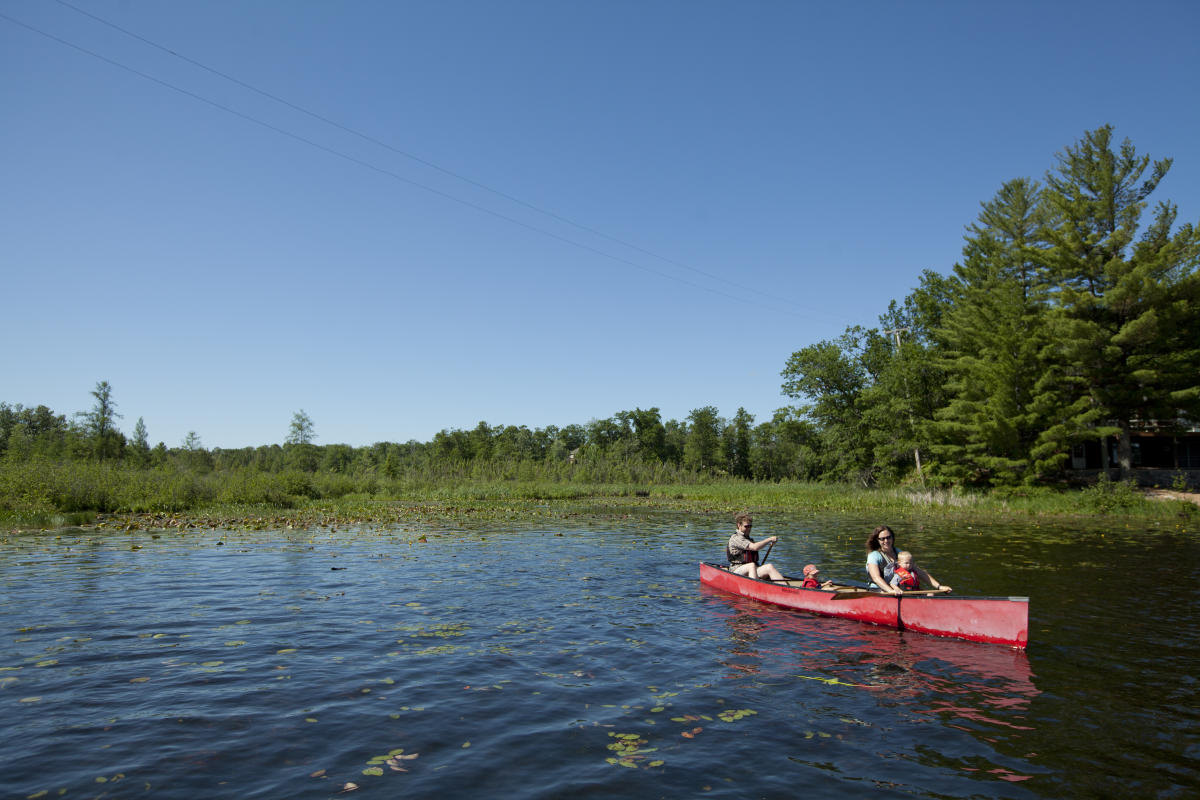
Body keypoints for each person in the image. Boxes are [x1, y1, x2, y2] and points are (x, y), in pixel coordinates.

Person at [866, 526, 951, 595]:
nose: (886, 541)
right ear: (877, 540)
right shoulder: (874, 556)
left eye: (888, 537)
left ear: (892, 538)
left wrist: (939, 586)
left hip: (899, 590)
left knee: (930, 594)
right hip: (880, 590)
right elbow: (876, 578)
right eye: (882, 539)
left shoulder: (899, 553)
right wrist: (890, 591)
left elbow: (919, 571)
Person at [726, 512, 785, 581]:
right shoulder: (736, 538)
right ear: (739, 525)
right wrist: (769, 539)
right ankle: (755, 589)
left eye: (750, 526)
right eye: (746, 526)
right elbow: (754, 547)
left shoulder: (749, 539)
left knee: (769, 567)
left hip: (752, 569)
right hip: (736, 570)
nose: (749, 529)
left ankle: (787, 589)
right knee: (751, 565)